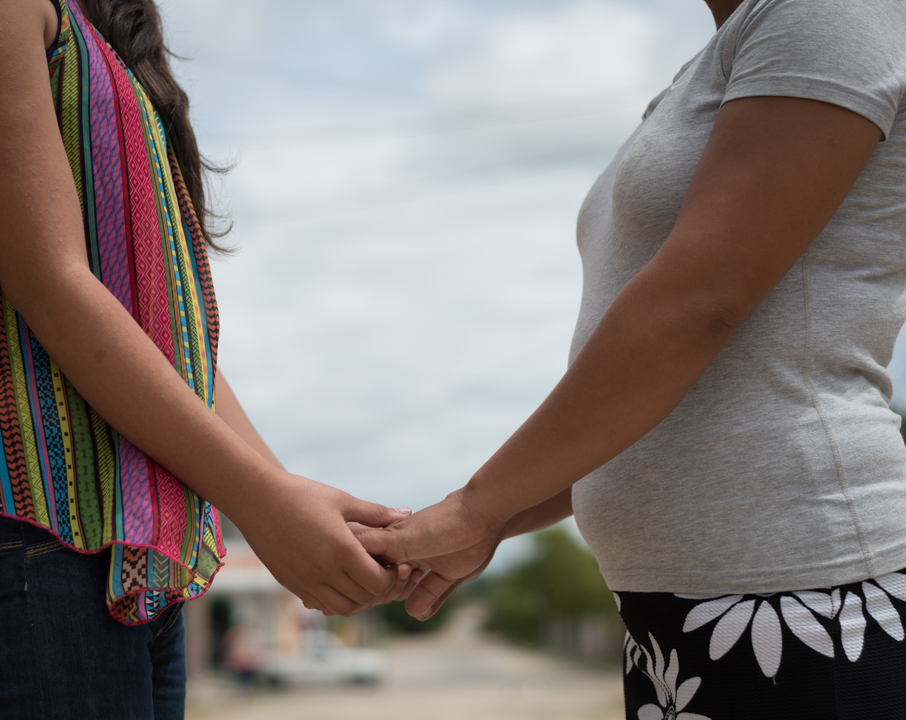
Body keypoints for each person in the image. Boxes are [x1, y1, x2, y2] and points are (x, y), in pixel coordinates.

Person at [0, 0, 412, 717]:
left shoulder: (96, 31)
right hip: (17, 553)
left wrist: (291, 500)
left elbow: (162, 342)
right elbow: (56, 288)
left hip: (122, 568)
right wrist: (266, 506)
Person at [359, 0, 906, 716]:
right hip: (672, 607)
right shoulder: (712, 63)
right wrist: (495, 519)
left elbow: (695, 305)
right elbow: (640, 380)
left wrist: (477, 504)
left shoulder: (826, 11)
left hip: (800, 595)